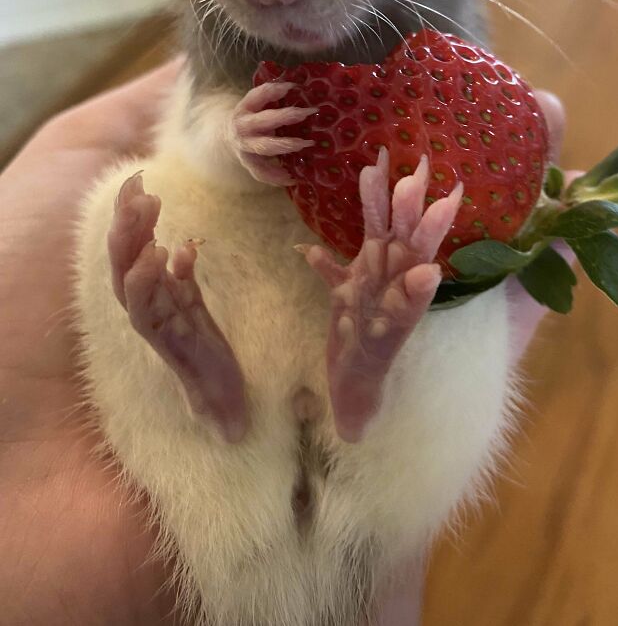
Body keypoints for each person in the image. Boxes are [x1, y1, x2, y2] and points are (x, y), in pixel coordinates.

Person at [0, 60, 569, 625]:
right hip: (272, 318)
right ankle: (358, 384)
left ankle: (218, 396)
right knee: (123, 205)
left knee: (445, 255)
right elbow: (197, 135)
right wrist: (232, 136)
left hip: (317, 455)